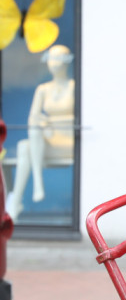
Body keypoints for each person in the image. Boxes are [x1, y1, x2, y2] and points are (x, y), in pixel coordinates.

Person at [7, 44, 76, 219]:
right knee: (27, 142)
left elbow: (79, 117)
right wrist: (44, 123)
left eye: (58, 59)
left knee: (26, 146)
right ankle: (36, 182)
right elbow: (33, 118)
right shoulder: (43, 89)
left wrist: (50, 122)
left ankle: (18, 200)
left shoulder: (74, 86)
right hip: (48, 140)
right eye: (52, 59)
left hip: (68, 141)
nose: (54, 64)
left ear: (66, 62)